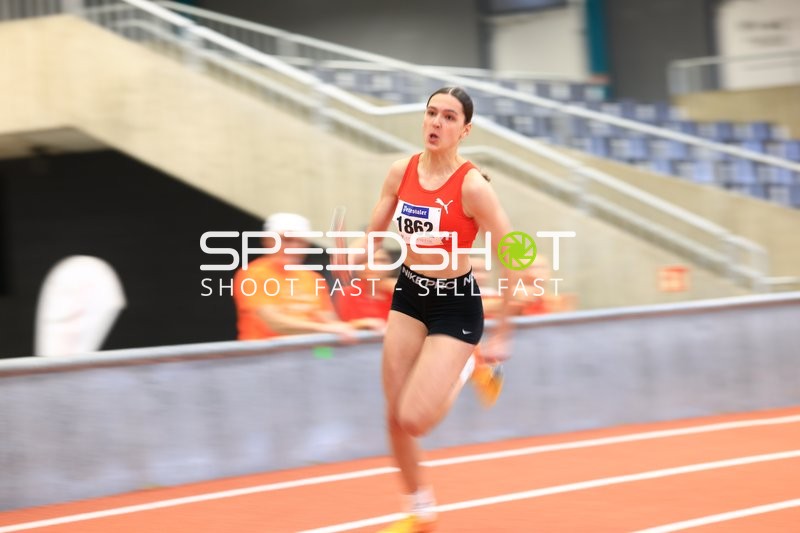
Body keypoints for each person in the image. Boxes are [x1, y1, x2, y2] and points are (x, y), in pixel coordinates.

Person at [362, 87, 519, 533]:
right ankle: (420, 511)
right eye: (432, 113)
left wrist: (503, 331)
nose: (436, 123)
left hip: (455, 307)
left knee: (415, 419)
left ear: (465, 130)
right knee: (394, 416)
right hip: (410, 296)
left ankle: (473, 364)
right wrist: (356, 256)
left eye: (449, 117)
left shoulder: (473, 187)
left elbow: (513, 255)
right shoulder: (400, 172)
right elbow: (373, 231)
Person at [232, 212, 362, 340]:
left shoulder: (312, 278)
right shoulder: (252, 274)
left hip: (304, 354)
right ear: (268, 241)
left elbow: (329, 321)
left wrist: (358, 326)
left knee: (329, 354)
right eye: (287, 240)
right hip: (263, 357)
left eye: (301, 242)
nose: (294, 247)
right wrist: (325, 329)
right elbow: (274, 322)